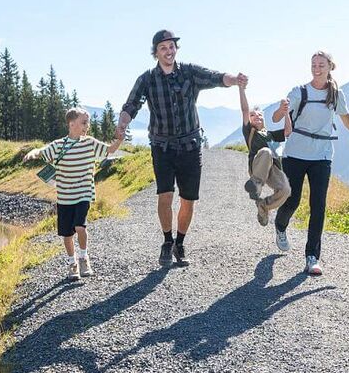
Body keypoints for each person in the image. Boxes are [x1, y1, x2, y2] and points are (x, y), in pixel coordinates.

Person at [116, 29, 247, 267]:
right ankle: (167, 241)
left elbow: (216, 77)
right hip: (162, 147)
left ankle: (180, 242)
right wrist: (123, 122)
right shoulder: (146, 79)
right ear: (155, 53)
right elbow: (131, 104)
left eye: (172, 46)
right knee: (165, 195)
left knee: (188, 200)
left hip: (190, 145)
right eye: (163, 48)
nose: (169, 51)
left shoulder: (189, 72)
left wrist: (234, 79)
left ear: (176, 49)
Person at [271, 51, 349, 276]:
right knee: (292, 200)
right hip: (295, 154)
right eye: (313, 64)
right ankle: (280, 225)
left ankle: (312, 257)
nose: (316, 68)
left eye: (321, 64)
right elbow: (276, 118)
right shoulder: (299, 91)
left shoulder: (336, 94)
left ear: (330, 67)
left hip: (322, 156)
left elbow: (347, 119)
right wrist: (281, 109)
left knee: (318, 205)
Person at [25, 107, 124, 281]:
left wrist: (119, 139)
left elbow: (109, 150)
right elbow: (42, 151)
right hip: (64, 197)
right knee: (67, 234)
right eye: (84, 122)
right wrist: (33, 153)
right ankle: (72, 263)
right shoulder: (58, 145)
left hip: (83, 193)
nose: (87, 126)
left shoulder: (90, 142)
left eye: (88, 122)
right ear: (72, 124)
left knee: (80, 226)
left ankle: (83, 257)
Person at [239, 86, 291, 226]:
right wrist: (241, 89)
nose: (257, 116)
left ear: (263, 119)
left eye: (259, 115)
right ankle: (256, 183)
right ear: (249, 120)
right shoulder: (249, 131)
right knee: (266, 152)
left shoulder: (271, 135)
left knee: (286, 190)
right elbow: (244, 109)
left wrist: (286, 113)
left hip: (272, 168)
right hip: (257, 166)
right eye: (253, 115)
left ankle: (264, 206)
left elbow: (287, 131)